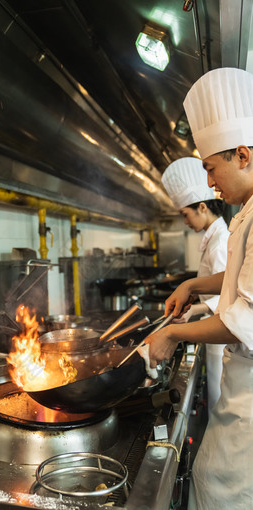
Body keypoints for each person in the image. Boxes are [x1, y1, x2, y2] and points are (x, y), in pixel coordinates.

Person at [146, 67, 253, 510]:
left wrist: (172, 332)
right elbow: (237, 278)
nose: (210, 183)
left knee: (221, 488)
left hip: (250, 400)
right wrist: (193, 284)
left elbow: (243, 318)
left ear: (243, 156)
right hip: (242, 383)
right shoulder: (248, 212)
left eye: (212, 168)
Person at [161, 157, 229, 413]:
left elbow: (228, 294)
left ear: (202, 207)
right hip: (215, 335)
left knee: (220, 406)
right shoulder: (214, 238)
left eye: (185, 214)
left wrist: (194, 310)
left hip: (223, 337)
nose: (185, 221)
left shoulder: (221, 241)